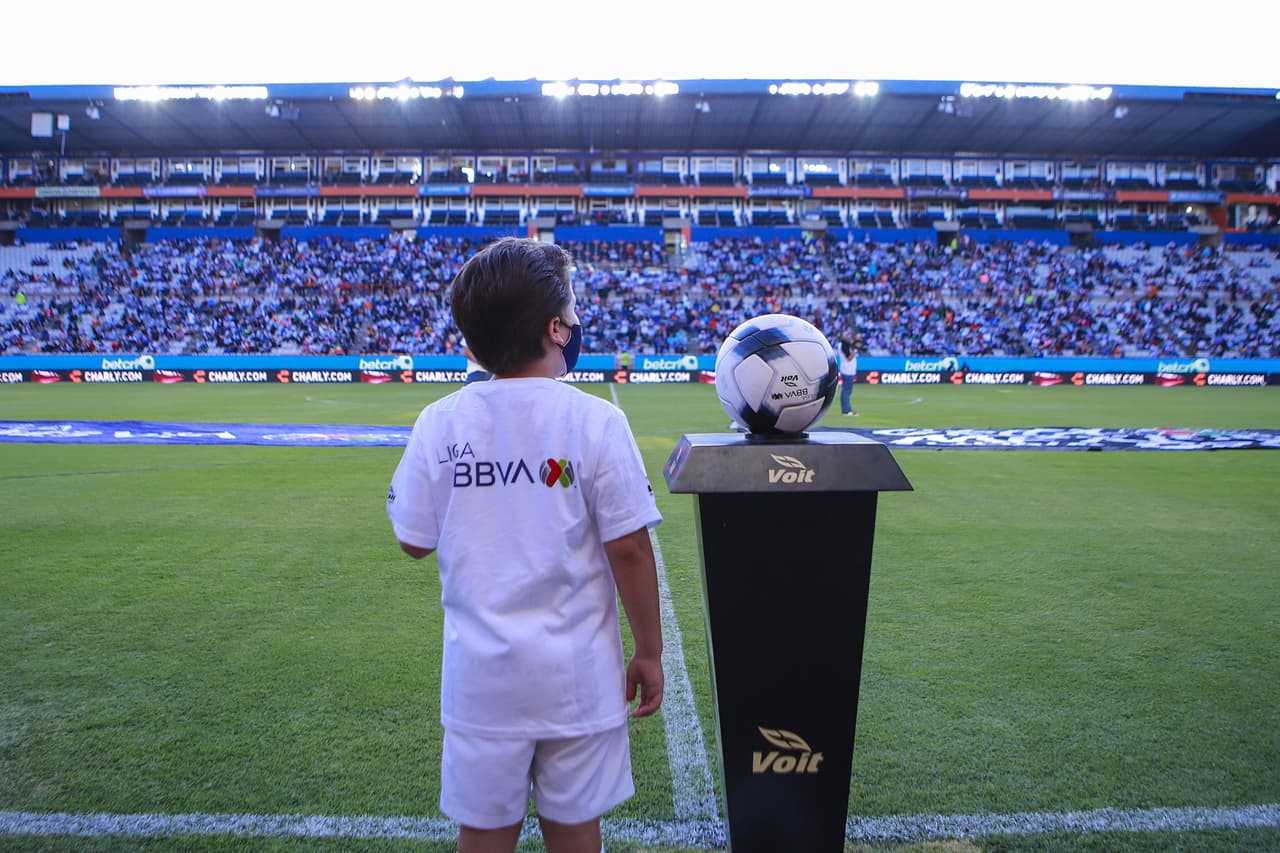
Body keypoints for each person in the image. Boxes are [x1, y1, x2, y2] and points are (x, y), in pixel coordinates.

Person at [386, 237, 664, 853]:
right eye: (571, 308)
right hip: (578, 681)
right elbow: (630, 549)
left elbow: (413, 541)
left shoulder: (440, 421)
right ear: (555, 328)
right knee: (575, 831)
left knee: (484, 834)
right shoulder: (596, 421)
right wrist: (649, 650)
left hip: (482, 683)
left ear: (470, 340)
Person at [838, 336, 858, 416]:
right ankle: (846, 410)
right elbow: (849, 358)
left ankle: (846, 409)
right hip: (848, 371)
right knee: (846, 391)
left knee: (846, 391)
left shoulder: (842, 345)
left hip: (847, 370)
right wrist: (855, 351)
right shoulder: (843, 346)